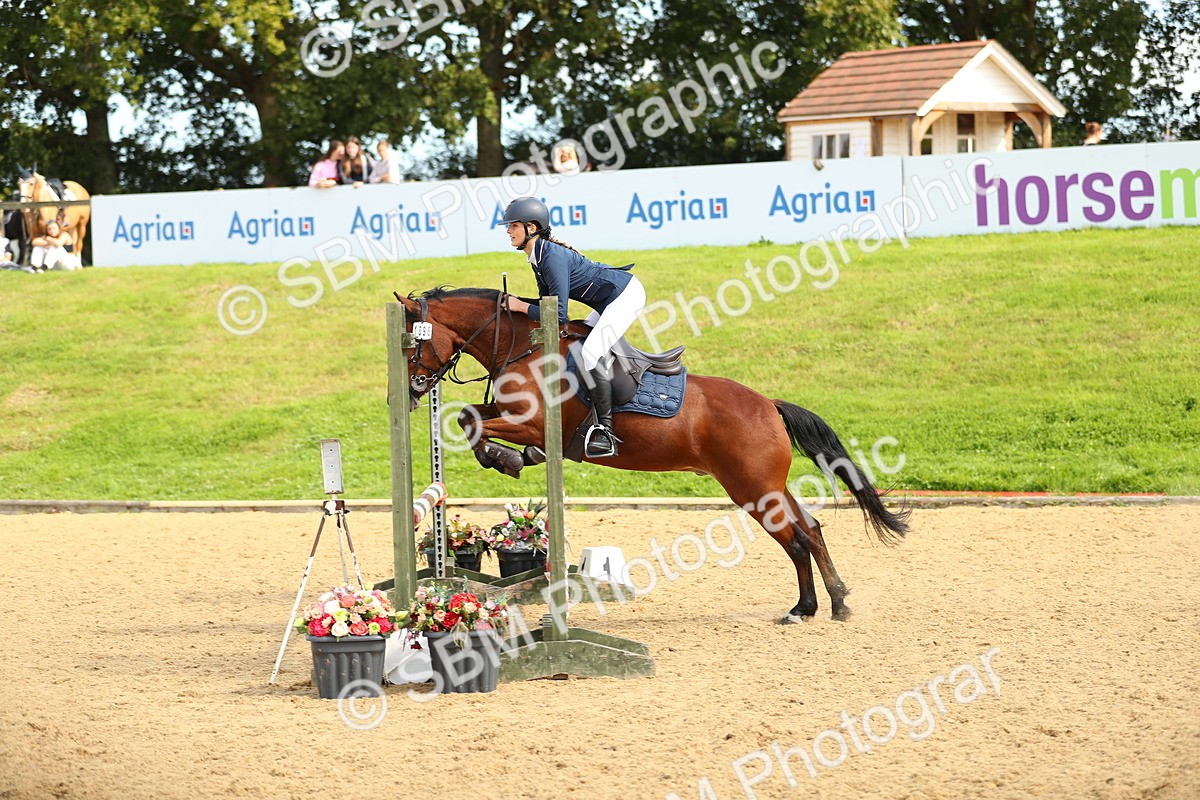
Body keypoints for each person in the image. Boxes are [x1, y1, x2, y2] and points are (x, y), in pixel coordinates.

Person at [499, 196, 646, 458]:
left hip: (625, 296)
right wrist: (517, 303)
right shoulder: (538, 256)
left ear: (531, 228)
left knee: (590, 354)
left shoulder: (551, 257)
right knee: (576, 346)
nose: (508, 230)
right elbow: (548, 305)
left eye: (512, 225)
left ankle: (605, 431)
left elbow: (558, 315)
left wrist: (519, 306)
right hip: (607, 300)